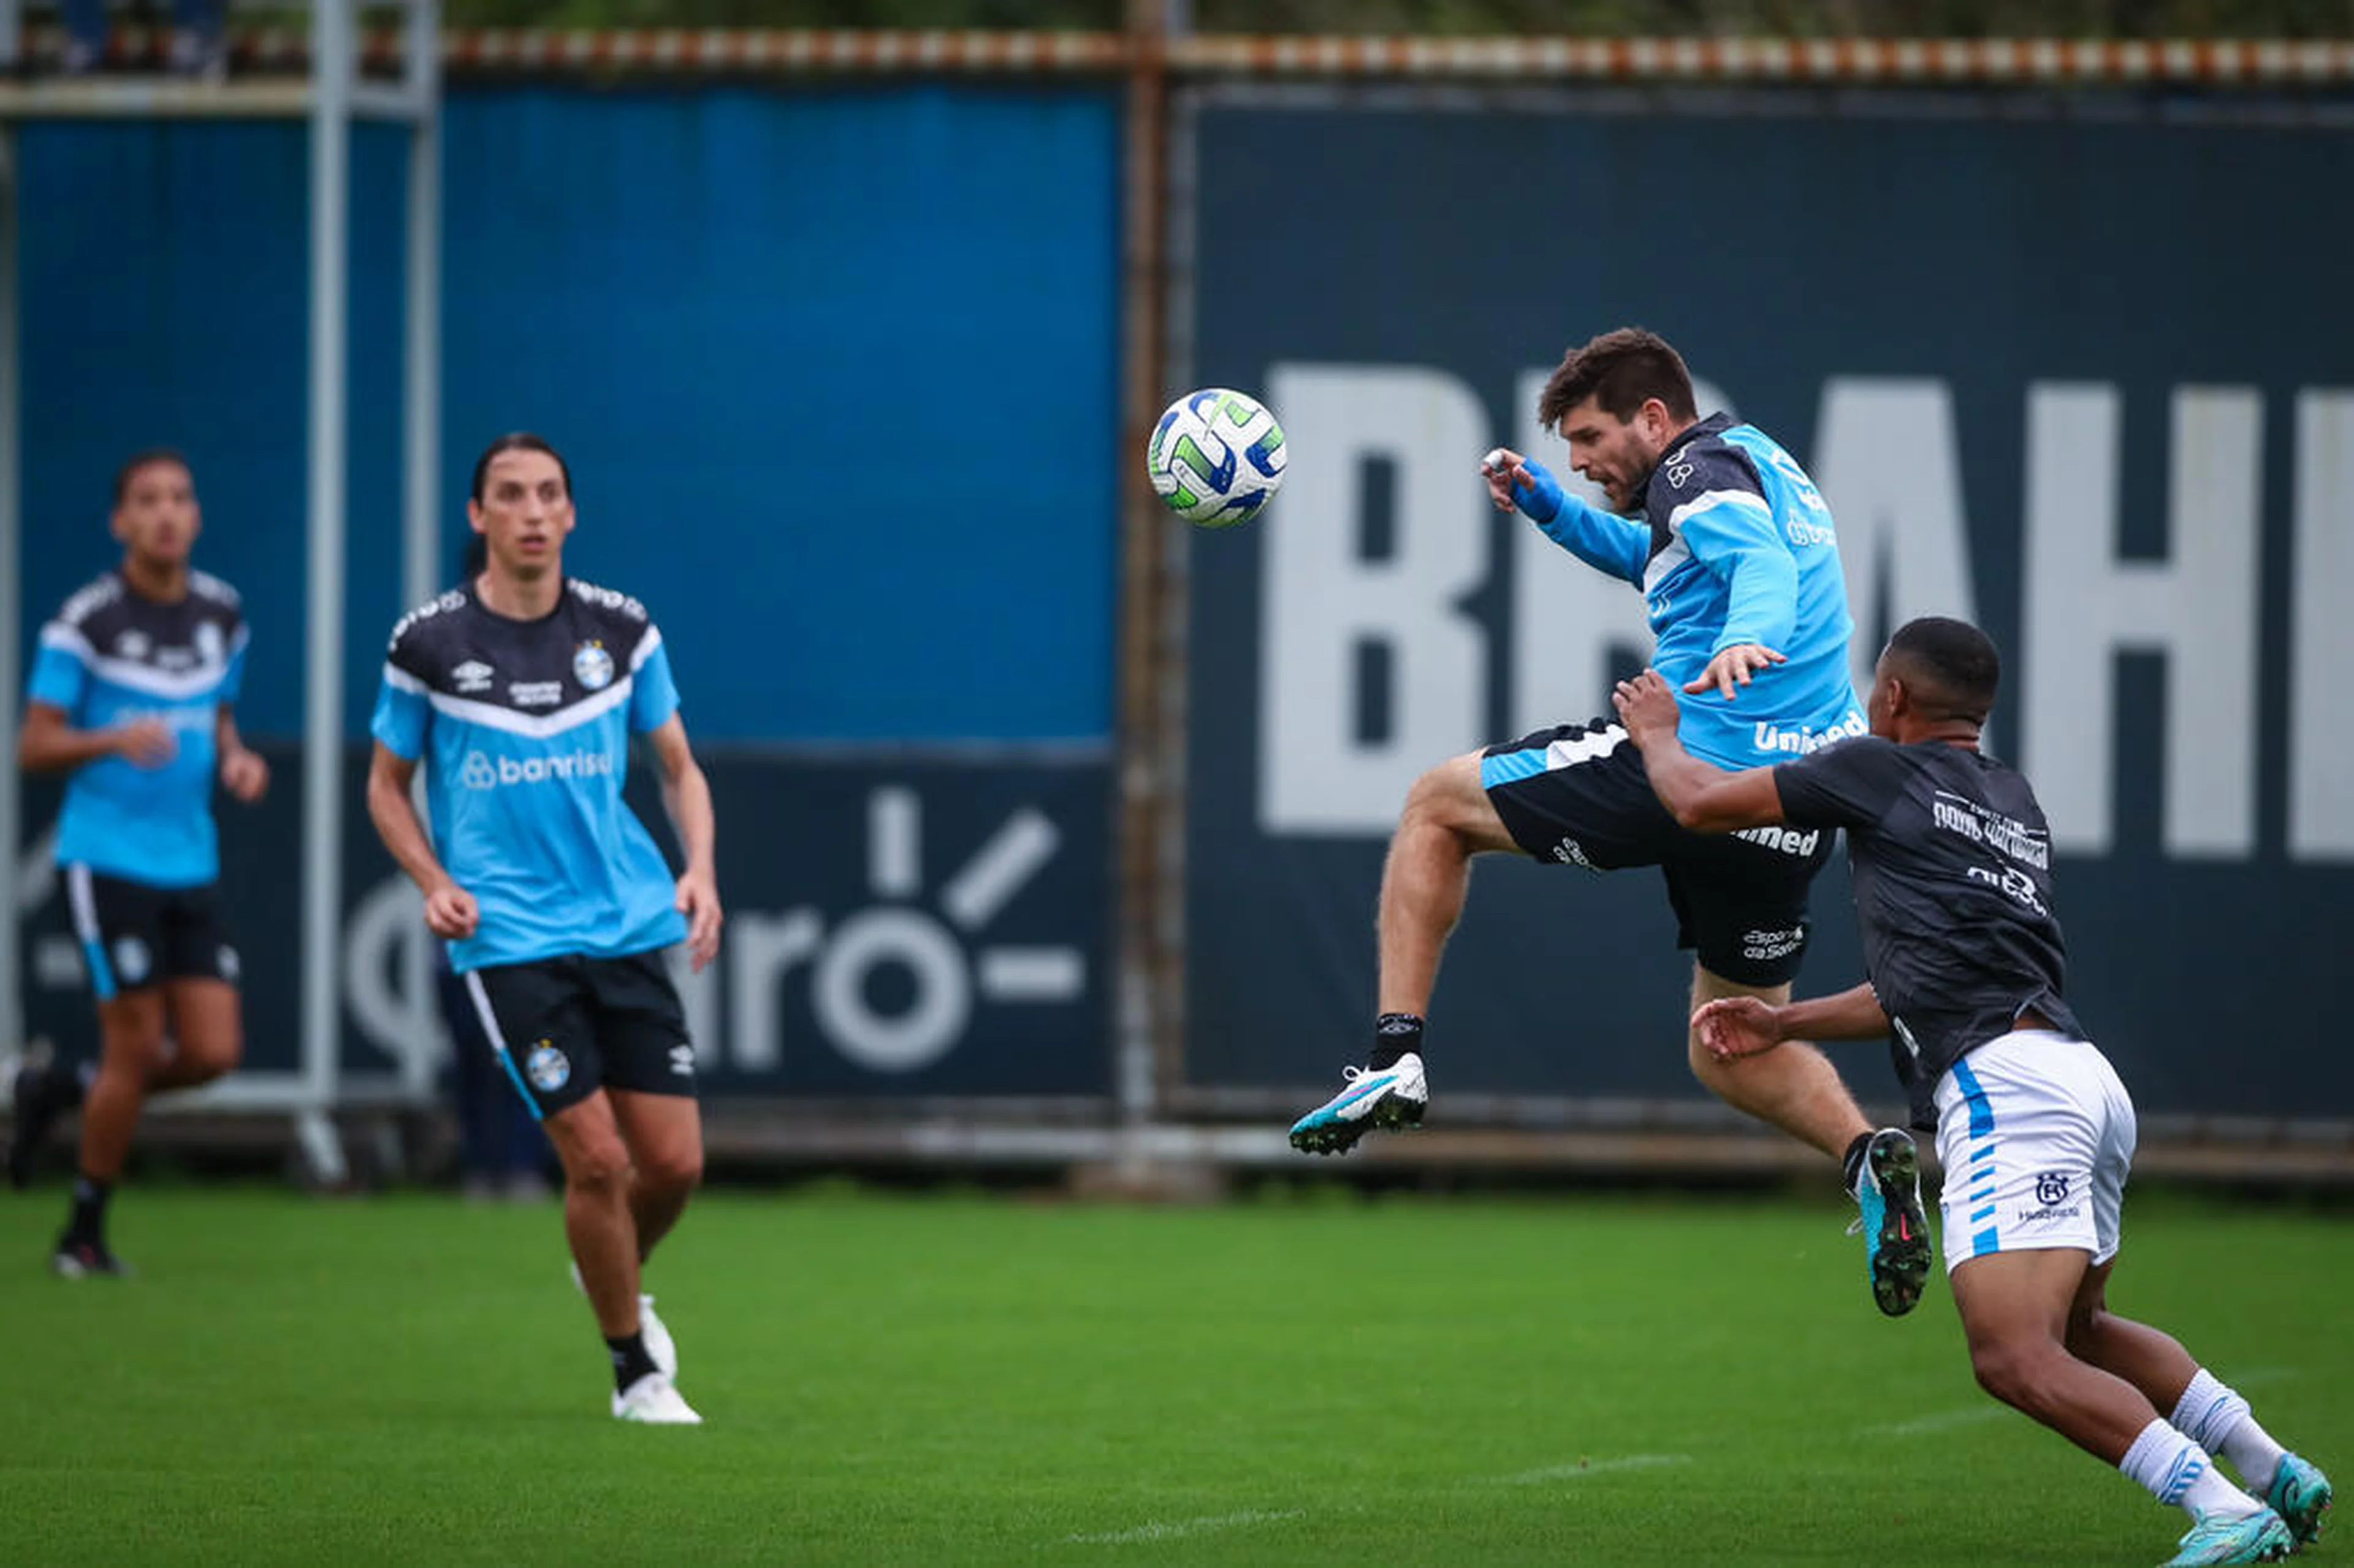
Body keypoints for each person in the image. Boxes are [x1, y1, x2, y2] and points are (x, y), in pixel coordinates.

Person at [1612, 616, 2331, 1566]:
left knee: (2013, 1357)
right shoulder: (2010, 798)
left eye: (1875, 685)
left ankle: (2223, 1507)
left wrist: (1657, 732)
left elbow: (1701, 803)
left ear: (1895, 696)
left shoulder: (1874, 766)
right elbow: (1927, 984)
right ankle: (2274, 1467)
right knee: (2081, 1327)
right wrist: (1785, 1024)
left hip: (2009, 1092)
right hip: (2083, 1078)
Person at [1286, 327, 1930, 1317]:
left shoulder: (1693, 469)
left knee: (1434, 806)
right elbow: (1663, 560)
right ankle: (1865, 1157)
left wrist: (1749, 636)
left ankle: (1393, 1057)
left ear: (1655, 418)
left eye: (1589, 438)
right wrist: (1550, 509)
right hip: (1789, 807)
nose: (1581, 460)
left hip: (1690, 762)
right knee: (1729, 1039)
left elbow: (1756, 565)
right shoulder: (1758, 463)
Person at [365, 433, 722, 1426]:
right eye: (510, 495)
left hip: (625, 922)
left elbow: (679, 767)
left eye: (547, 494)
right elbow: (386, 786)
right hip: (509, 938)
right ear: (478, 514)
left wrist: (699, 869)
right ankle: (635, 1372)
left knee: (675, 1165)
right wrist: (433, 879)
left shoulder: (622, 629)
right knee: (597, 1160)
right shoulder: (428, 643)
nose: (531, 511)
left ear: (570, 513)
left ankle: (608, 1264)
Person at [7, 449, 269, 1275]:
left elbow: (219, 716)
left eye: (179, 498)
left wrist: (236, 757)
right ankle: (83, 1233)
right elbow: (33, 745)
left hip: (189, 858)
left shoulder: (222, 612)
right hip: (107, 857)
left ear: (196, 516)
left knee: (213, 1051)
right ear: (119, 521)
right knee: (136, 1045)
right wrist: (111, 738)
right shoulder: (84, 623)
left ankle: (58, 1091)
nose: (166, 514)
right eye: (147, 501)